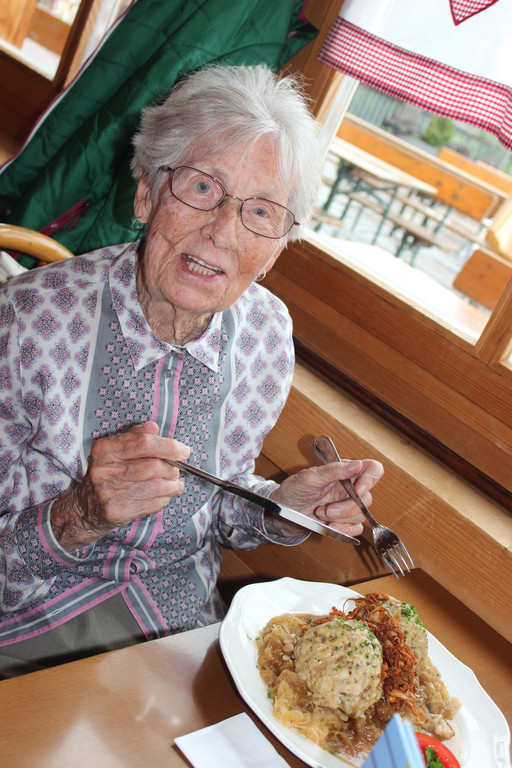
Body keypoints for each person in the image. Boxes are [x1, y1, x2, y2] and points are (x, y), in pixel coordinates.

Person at [0, 64, 383, 676]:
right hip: (29, 634)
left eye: (261, 212)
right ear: (146, 193)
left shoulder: (265, 335)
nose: (222, 233)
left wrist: (284, 505)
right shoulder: (23, 322)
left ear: (277, 247)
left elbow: (217, 509)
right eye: (202, 187)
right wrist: (77, 516)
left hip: (180, 634)